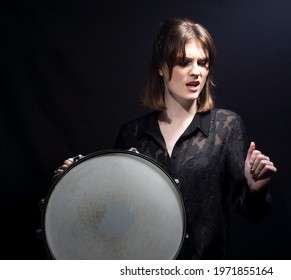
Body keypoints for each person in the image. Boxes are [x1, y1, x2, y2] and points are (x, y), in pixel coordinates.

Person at [54, 18, 277, 259]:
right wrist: (72, 183)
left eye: (203, 63)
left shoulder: (226, 126)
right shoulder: (132, 134)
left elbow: (252, 213)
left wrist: (255, 190)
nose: (196, 72)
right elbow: (113, 215)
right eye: (184, 62)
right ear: (161, 67)